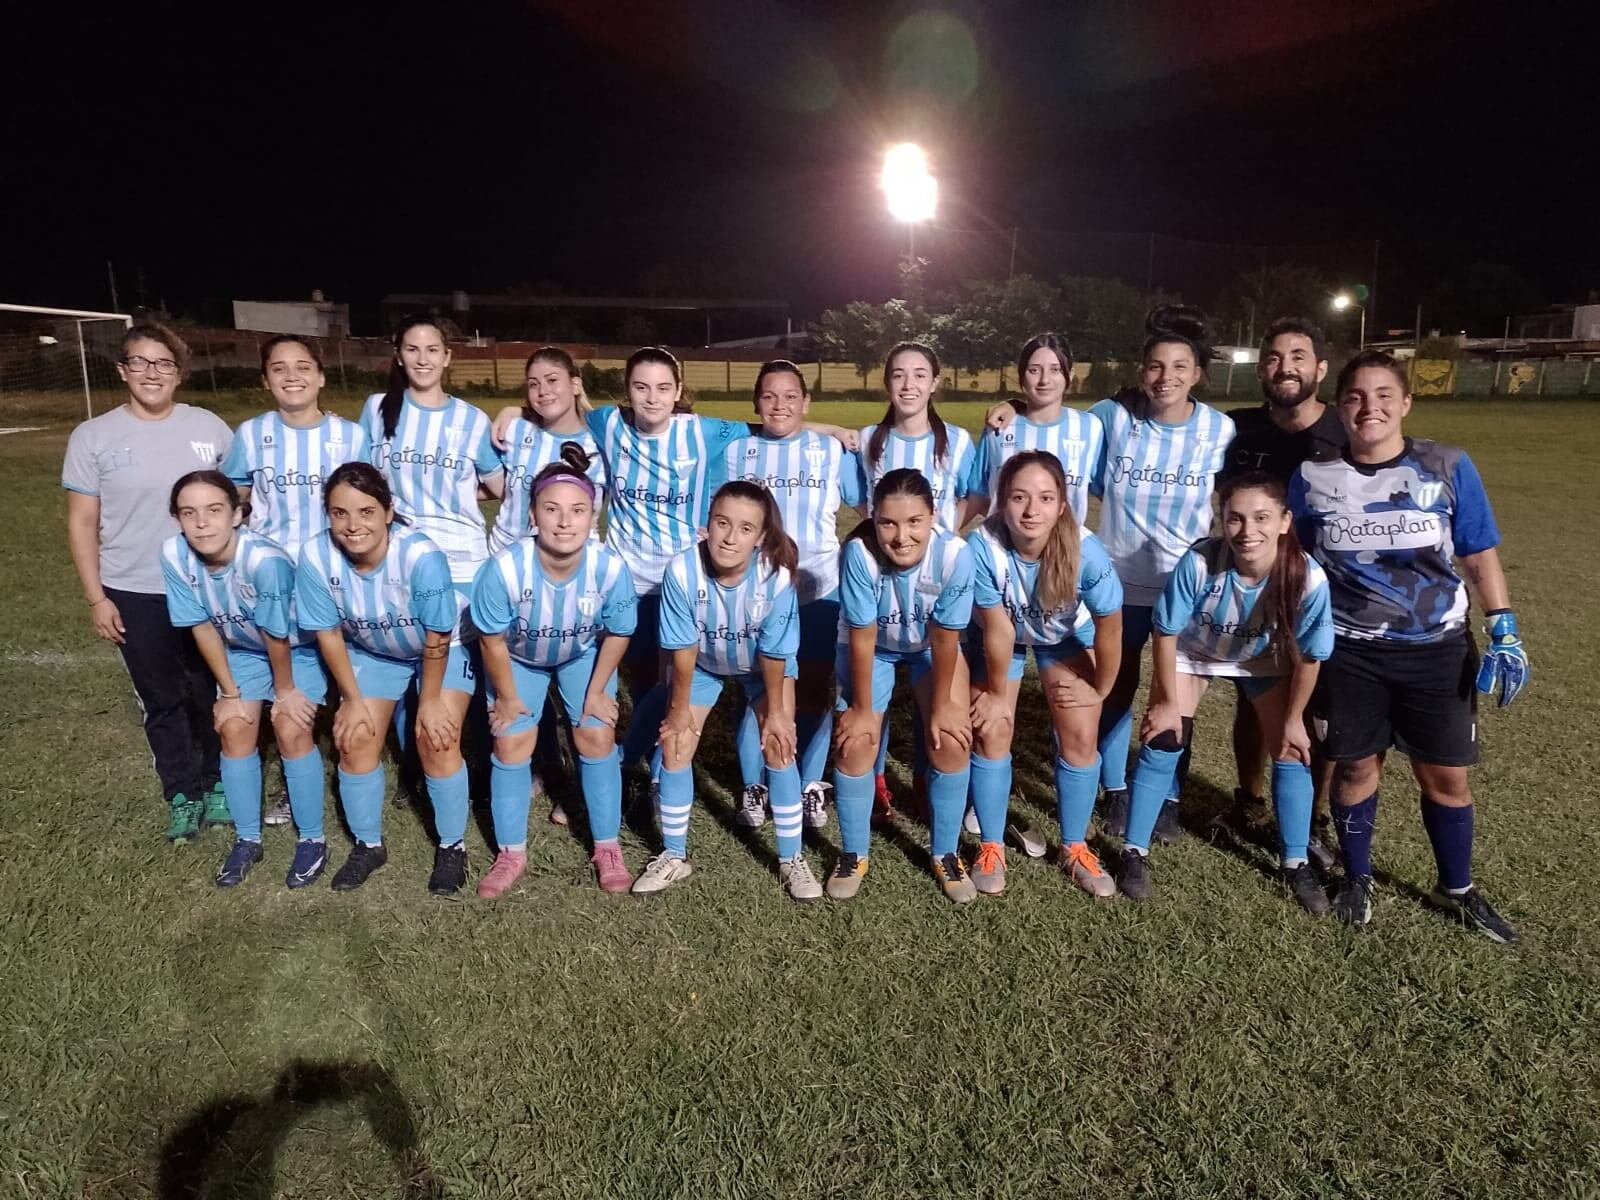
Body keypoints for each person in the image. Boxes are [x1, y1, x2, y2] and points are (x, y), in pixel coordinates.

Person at [1290, 349, 1528, 942]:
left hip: (1437, 650)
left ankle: (1459, 889)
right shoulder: (1313, 477)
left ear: (1406, 403)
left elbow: (1476, 552)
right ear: (1341, 406)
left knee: (1445, 777)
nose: (1369, 407)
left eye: (1383, 395)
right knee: (1355, 767)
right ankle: (1356, 875)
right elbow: (1294, 559)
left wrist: (1503, 623)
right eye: (1355, 397)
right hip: (1350, 652)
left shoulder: (1445, 465)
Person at [996, 306, 1236, 840]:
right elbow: (1052, 413)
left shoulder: (1221, 429)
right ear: (1141, 370)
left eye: (1179, 366)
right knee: (1115, 685)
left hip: (1186, 584)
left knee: (1174, 693)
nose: (1165, 377)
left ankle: (1167, 792)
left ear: (1197, 373)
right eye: (1154, 366)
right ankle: (1115, 788)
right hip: (1120, 579)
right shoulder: (1113, 415)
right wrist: (1010, 406)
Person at [1117, 471, 1333, 913]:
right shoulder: (1200, 562)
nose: (1247, 531)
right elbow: (1165, 629)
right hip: (1194, 654)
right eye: (1234, 519)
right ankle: (1133, 852)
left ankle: (1294, 862)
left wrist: (1294, 720)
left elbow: (1311, 655)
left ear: (1285, 521)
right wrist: (1166, 701)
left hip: (1262, 660)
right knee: (1164, 737)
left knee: (1290, 749)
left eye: (1261, 518)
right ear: (1221, 520)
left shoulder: (1307, 578)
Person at [63, 320, 235, 842]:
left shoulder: (210, 428)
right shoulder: (93, 436)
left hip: (207, 585)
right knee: (162, 697)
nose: (151, 373)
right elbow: (81, 522)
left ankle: (219, 783)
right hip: (134, 588)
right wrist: (97, 597)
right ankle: (181, 793)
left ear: (179, 373)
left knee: (213, 691)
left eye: (163, 363)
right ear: (122, 370)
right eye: (139, 362)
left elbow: (242, 502)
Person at [295, 463, 478, 895]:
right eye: (340, 513)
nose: (353, 525)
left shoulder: (420, 555)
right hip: (375, 650)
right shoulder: (315, 556)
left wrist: (430, 701)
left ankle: (452, 846)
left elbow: (438, 633)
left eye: (366, 511)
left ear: (388, 512)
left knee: (437, 737)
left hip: (441, 648)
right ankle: (368, 844)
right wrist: (350, 699)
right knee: (355, 736)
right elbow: (328, 633)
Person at [470, 447, 637, 898]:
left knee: (597, 733)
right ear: (533, 515)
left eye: (577, 511)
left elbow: (619, 631)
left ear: (592, 516)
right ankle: (511, 853)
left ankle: (606, 847)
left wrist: (599, 690)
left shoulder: (608, 568)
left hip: (580, 655)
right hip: (520, 658)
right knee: (510, 742)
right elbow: (492, 640)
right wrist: (505, 698)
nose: (565, 522)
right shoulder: (503, 570)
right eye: (552, 509)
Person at [1214, 317, 1346, 866]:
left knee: (1321, 709)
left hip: (1328, 589)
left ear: (1320, 367)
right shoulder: (1237, 430)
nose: (1285, 366)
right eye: (1273, 357)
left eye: (1298, 356)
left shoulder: (1345, 429)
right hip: (1255, 588)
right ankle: (1250, 800)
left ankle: (1312, 817)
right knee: (1253, 696)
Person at [966, 452, 1124, 897]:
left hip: (1065, 638)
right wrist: (997, 694)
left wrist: (1101, 689)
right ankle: (991, 846)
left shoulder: (1085, 550)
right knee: (992, 729)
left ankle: (1074, 848)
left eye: (1045, 498)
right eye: (1019, 497)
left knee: (1079, 735)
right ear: (1001, 502)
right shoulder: (983, 547)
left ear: (1062, 506)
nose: (1031, 510)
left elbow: (1111, 625)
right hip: (1004, 637)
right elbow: (997, 627)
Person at [160, 472, 329, 888]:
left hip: (296, 649)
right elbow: (200, 626)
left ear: (237, 515)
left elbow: (277, 633)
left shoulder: (264, 562)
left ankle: (312, 839)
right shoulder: (173, 554)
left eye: (214, 511)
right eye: (189, 513)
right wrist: (230, 694)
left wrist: (285, 692)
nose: (202, 523)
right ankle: (248, 837)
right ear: (178, 520)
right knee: (234, 726)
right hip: (241, 651)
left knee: (290, 727)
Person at [641, 482, 808, 897]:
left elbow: (774, 655)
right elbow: (682, 650)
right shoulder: (681, 570)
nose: (730, 537)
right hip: (704, 664)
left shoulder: (777, 578)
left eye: (745, 528)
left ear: (761, 538)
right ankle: (674, 856)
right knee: (676, 742)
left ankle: (792, 859)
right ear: (708, 524)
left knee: (778, 744)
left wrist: (778, 715)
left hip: (762, 667)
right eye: (722, 523)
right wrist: (678, 709)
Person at [722, 360, 862, 833]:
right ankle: (754, 785)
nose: (779, 405)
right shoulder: (736, 451)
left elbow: (869, 505)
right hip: (755, 593)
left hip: (819, 587)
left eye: (790, 396)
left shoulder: (829, 451)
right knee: (757, 688)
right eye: (769, 396)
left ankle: (809, 785)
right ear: (756, 403)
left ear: (806, 402)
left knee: (816, 686)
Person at [831, 469, 976, 903]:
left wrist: (947, 704)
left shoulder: (955, 556)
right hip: (872, 648)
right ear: (874, 519)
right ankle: (854, 853)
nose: (901, 536)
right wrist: (859, 708)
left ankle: (946, 854)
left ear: (933, 516)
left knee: (949, 738)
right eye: (889, 523)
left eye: (914, 521)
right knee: (856, 742)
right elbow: (862, 635)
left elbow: (946, 637)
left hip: (932, 648)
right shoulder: (859, 553)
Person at [855, 341, 980, 819]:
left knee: (939, 682)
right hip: (886, 577)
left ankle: (934, 780)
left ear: (935, 381)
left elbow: (977, 494)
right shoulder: (870, 439)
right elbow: (860, 501)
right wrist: (887, 539)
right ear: (887, 382)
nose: (909, 385)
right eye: (899, 375)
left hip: (939, 581)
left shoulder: (959, 441)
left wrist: (943, 534)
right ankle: (877, 781)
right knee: (875, 687)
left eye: (919, 375)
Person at [486, 346, 608, 829]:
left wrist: (827, 430)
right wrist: (512, 409)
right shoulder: (516, 430)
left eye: (554, 380)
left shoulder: (603, 441)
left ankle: (579, 783)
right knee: (513, 680)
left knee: (576, 686)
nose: (543, 391)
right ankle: (538, 765)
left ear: (576, 382)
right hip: (508, 570)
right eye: (533, 384)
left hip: (571, 577)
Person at [363, 315, 505, 593]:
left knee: (459, 637)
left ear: (447, 357)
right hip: (397, 554)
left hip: (462, 558)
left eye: (432, 350)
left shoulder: (472, 419)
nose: (422, 359)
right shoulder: (376, 409)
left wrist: (458, 489)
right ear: (399, 356)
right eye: (412, 349)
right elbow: (359, 482)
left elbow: (501, 488)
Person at [224, 334, 370, 558]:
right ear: (265, 380)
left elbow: (368, 501)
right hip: (270, 563)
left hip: (335, 563)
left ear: (320, 377)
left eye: (303, 367)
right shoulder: (250, 432)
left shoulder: (352, 435)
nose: (292, 377)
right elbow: (232, 494)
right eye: (279, 369)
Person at [970, 332, 1103, 524]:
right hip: (1003, 551)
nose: (1044, 380)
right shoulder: (999, 426)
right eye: (1034, 370)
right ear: (1021, 375)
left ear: (1070, 375)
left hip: (1065, 550)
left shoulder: (1090, 427)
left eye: (1055, 370)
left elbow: (1109, 492)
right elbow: (977, 493)